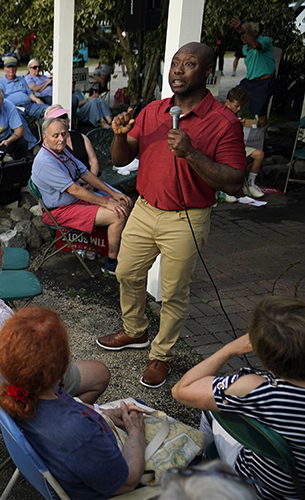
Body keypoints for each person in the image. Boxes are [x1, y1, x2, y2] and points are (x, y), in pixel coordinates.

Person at [96, 42, 246, 388]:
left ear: (207, 72)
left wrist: (191, 154)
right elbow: (121, 160)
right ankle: (136, 331)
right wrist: (118, 136)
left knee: (173, 292)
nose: (177, 70)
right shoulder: (152, 111)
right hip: (145, 209)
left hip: (187, 218)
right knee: (126, 273)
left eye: (189, 64)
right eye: (175, 63)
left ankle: (161, 355)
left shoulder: (223, 122)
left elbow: (236, 180)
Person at [0, 221, 110, 412]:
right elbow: (31, 374)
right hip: (3, 402)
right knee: (100, 373)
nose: (3, 253)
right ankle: (60, 420)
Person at [0, 307, 145, 499]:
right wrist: (136, 432)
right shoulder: (79, 435)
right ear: (62, 366)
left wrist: (102, 412)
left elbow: (64, 408)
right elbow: (126, 483)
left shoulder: (4, 382)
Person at [172, 296, 305, 500]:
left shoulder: (260, 390)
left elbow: (182, 390)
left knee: (210, 408)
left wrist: (229, 349)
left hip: (267, 489)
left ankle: (203, 467)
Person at [32, 117, 132, 275]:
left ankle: (116, 247)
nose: (61, 139)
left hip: (75, 202)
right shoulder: (45, 161)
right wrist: (107, 204)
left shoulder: (62, 151)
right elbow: (74, 190)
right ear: (45, 137)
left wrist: (113, 194)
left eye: (63, 134)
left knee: (124, 202)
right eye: (55, 135)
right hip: (60, 210)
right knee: (117, 214)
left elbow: (85, 173)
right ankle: (111, 263)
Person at [230, 17, 275, 129]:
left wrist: (241, 29)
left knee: (260, 112)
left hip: (264, 81)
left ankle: (260, 135)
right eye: (241, 34)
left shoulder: (265, 40)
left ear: (255, 32)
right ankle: (234, 125)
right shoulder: (245, 47)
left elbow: (256, 45)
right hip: (250, 80)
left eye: (245, 33)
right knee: (233, 96)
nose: (242, 36)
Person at [222, 87, 265, 199]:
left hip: (237, 146)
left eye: (241, 106)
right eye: (236, 106)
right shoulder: (220, 114)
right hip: (224, 148)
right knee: (232, 159)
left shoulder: (234, 114)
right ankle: (226, 188)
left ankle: (250, 183)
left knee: (259, 154)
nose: (239, 108)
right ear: (228, 102)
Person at [44, 105, 100, 175]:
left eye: (64, 116)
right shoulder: (51, 146)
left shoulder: (81, 137)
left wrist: (92, 181)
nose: (62, 120)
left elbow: (93, 161)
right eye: (58, 119)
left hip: (91, 178)